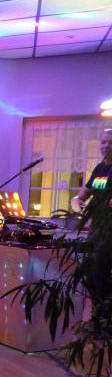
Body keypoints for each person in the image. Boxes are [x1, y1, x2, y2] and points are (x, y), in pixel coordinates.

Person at [71, 130, 112, 321]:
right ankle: (98, 319)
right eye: (103, 142)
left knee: (102, 275)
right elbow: (86, 191)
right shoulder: (100, 168)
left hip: (109, 232)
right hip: (96, 230)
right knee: (93, 276)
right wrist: (78, 199)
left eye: (110, 142)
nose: (106, 146)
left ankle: (105, 321)